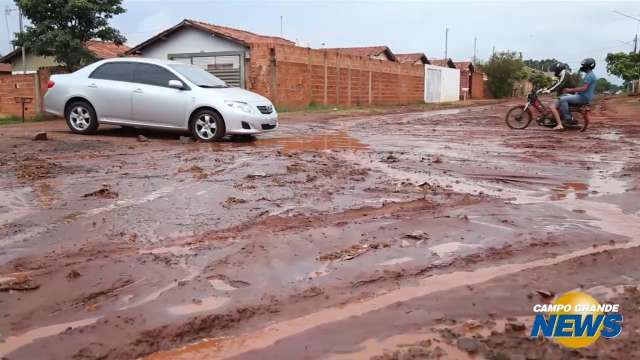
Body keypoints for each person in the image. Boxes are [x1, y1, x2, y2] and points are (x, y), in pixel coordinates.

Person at [553, 58, 597, 130]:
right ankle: (563, 115)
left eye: (584, 65)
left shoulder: (589, 76)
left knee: (562, 99)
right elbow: (585, 89)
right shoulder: (590, 75)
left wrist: (570, 90)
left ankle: (568, 118)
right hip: (583, 96)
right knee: (563, 96)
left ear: (588, 66)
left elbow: (584, 88)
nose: (582, 66)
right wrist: (575, 92)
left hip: (583, 97)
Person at [542, 63, 570, 127]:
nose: (555, 71)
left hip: (567, 94)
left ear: (559, 69)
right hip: (564, 94)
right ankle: (553, 119)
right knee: (554, 105)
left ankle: (559, 124)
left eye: (555, 70)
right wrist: (547, 88)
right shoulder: (562, 74)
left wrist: (550, 90)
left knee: (552, 106)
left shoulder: (564, 73)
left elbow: (560, 84)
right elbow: (556, 84)